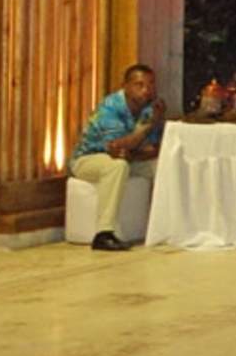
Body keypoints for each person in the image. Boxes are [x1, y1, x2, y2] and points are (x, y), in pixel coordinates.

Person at [70, 63, 165, 251]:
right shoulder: (111, 106)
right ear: (125, 86)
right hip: (89, 158)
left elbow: (153, 149)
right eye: (139, 85)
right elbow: (117, 147)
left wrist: (133, 150)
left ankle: (166, 227)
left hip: (128, 158)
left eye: (151, 84)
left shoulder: (150, 108)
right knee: (117, 166)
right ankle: (103, 233)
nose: (146, 90)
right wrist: (148, 126)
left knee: (163, 165)